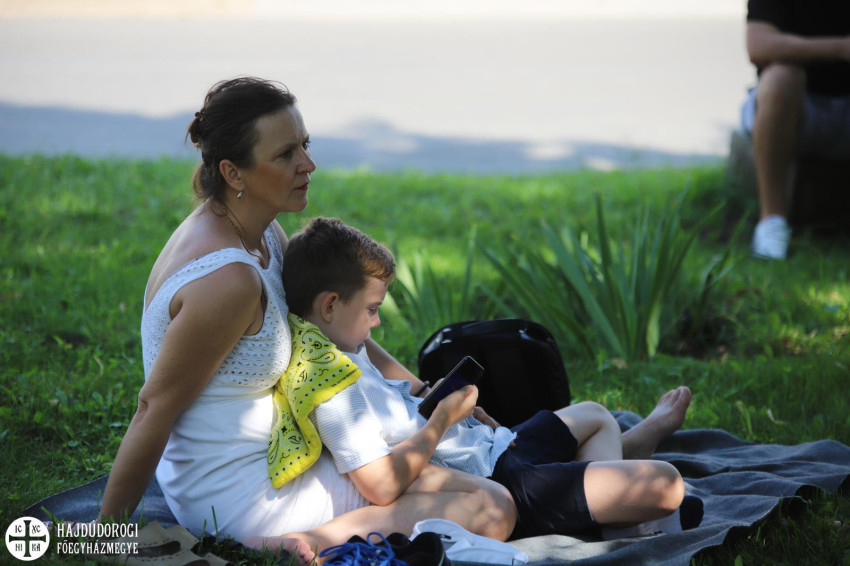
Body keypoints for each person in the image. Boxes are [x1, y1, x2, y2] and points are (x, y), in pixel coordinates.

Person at [96, 77, 516, 564]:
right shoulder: (228, 281)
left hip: (280, 456)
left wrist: (424, 393)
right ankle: (298, 545)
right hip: (241, 494)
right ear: (233, 173)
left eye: (305, 145)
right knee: (492, 507)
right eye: (285, 154)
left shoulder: (262, 232)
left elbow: (331, 332)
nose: (308, 164)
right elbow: (154, 407)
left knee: (480, 486)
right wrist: (106, 532)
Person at [267, 216, 699, 549]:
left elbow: (400, 388)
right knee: (666, 483)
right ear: (330, 306)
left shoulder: (340, 341)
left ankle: (613, 494)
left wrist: (446, 403)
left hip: (495, 446)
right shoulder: (329, 387)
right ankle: (616, 496)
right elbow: (380, 484)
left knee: (596, 414)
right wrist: (443, 420)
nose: (376, 322)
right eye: (372, 309)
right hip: (500, 480)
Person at [742, 0, 850, 260]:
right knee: (781, 77)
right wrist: (840, 48)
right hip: (790, 111)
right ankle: (772, 223)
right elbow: (758, 46)